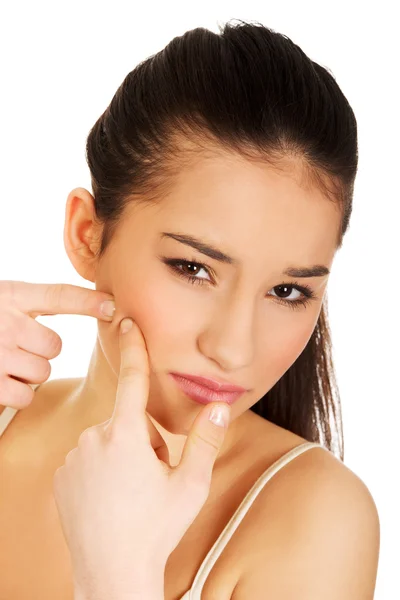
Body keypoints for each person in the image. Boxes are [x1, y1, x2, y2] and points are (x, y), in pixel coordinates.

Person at [0, 18, 380, 600]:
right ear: (86, 235)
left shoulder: (315, 520)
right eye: (194, 269)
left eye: (287, 292)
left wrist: (116, 579)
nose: (233, 349)